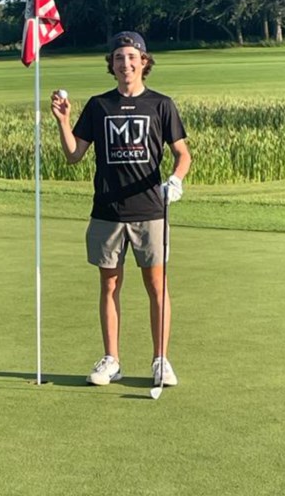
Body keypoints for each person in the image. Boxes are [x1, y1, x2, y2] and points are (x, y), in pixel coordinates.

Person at [50, 31, 192, 388]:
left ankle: (161, 360)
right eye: (118, 58)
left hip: (151, 211)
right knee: (109, 285)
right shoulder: (99, 106)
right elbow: (73, 156)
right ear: (111, 66)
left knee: (156, 285)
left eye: (131, 56)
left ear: (144, 62)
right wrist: (64, 121)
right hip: (108, 211)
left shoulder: (162, 104)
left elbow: (182, 153)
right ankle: (112, 360)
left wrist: (176, 179)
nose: (125, 63)